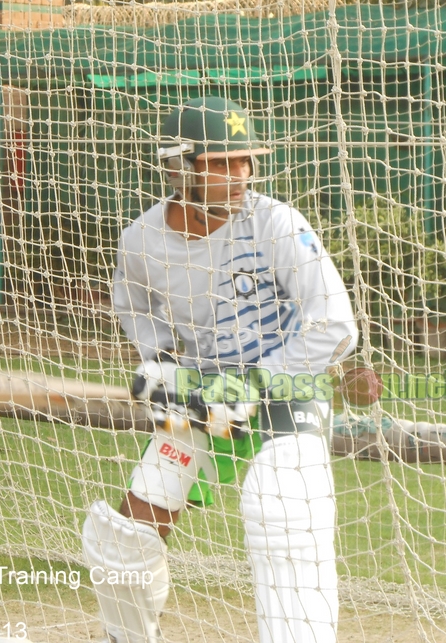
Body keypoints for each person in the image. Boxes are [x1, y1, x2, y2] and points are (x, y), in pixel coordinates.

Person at [81, 96, 358, 643]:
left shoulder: (276, 223)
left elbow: (334, 325)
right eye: (221, 162)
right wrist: (160, 365)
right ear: (180, 167)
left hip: (287, 393)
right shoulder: (141, 239)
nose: (241, 175)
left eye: (245, 160)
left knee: (278, 515)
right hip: (201, 399)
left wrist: (256, 383)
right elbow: (133, 306)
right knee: (124, 538)